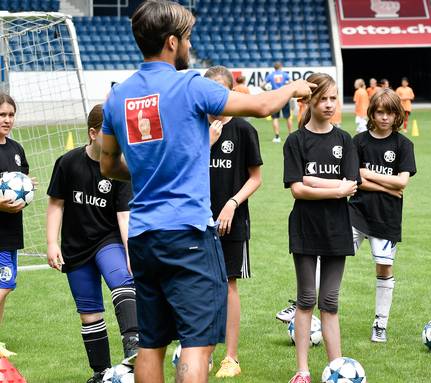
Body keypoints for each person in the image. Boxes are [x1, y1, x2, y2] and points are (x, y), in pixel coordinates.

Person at [99, 1, 313, 382]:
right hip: (189, 235)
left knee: (151, 343)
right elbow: (262, 106)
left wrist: (149, 167)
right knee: (197, 343)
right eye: (186, 38)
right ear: (170, 42)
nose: (189, 45)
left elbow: (108, 165)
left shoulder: (118, 95)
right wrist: (293, 87)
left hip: (144, 236)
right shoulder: (190, 85)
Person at [46, 104, 139, 383]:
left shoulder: (120, 167)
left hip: (107, 240)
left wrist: (131, 251)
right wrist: (52, 242)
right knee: (89, 314)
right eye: (110, 134)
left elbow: (124, 216)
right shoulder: (68, 162)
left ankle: (134, 345)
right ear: (93, 133)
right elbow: (56, 205)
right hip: (75, 247)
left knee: (122, 280)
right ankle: (101, 373)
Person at [283, 73, 359, 383]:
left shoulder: (345, 140)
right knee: (306, 300)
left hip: (337, 229)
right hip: (305, 228)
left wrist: (315, 181)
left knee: (329, 301)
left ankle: (336, 370)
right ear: (308, 101)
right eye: (322, 98)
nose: (329, 104)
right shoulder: (296, 140)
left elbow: (352, 185)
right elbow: (297, 190)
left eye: (333, 98)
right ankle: (303, 371)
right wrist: (335, 188)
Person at [202, 66, 263, 379]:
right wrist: (208, 144)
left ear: (230, 93)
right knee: (200, 288)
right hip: (195, 220)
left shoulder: (242, 130)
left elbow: (256, 177)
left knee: (227, 285)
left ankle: (231, 358)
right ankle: (204, 355)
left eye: (219, 93)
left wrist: (232, 203)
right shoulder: (196, 126)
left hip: (231, 221)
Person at [349, 88, 416, 342]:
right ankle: (311, 311)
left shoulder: (403, 145)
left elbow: (402, 183)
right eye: (379, 112)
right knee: (330, 257)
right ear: (372, 113)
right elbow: (355, 178)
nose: (384, 117)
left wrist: (367, 174)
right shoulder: (359, 141)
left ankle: (380, 323)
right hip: (355, 212)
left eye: (389, 112)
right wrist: (381, 182)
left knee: (384, 267)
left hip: (386, 217)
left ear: (397, 114)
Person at [0, 93, 31, 357]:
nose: (7, 120)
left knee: (4, 287)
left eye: (11, 115)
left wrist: (27, 190)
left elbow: (24, 181)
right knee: (4, 285)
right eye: (2, 115)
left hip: (11, 232)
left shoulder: (16, 150)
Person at [263, 62, 293, 143]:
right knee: (288, 117)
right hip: (284, 97)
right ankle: (290, 135)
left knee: (275, 118)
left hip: (275, 97)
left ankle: (277, 137)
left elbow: (262, 85)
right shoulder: (285, 74)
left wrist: (266, 90)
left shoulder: (270, 75)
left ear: (274, 68)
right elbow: (292, 83)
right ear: (281, 67)